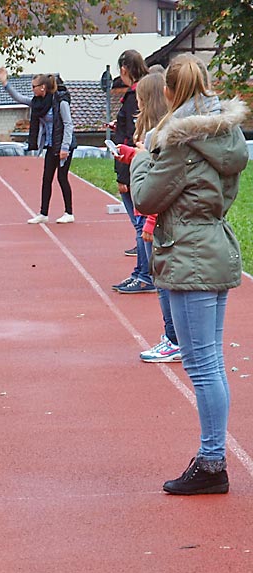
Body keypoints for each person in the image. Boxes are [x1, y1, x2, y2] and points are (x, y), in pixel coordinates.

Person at [124, 54, 249, 494]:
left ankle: (213, 461)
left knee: (202, 364)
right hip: (213, 242)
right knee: (210, 360)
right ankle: (212, 457)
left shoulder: (177, 141)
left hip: (188, 253)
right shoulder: (228, 134)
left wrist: (140, 158)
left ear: (172, 93)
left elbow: (147, 197)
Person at [131, 69, 182, 364]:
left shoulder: (163, 136)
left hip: (159, 220)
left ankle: (174, 339)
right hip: (157, 218)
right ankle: (176, 338)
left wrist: (149, 221)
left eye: (139, 98)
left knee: (162, 279)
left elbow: (159, 189)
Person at [0, 68, 77, 224]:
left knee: (62, 177)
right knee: (46, 179)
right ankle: (43, 213)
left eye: (34, 86)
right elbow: (19, 98)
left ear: (43, 87)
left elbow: (68, 125)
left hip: (63, 145)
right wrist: (5, 83)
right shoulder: (37, 103)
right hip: (50, 146)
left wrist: (64, 148)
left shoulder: (61, 102)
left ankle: (69, 212)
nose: (31, 89)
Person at [108, 50, 154, 293]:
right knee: (142, 224)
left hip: (133, 166)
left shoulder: (135, 94)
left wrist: (123, 175)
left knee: (140, 224)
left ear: (124, 69)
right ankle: (142, 272)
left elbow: (130, 135)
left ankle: (145, 275)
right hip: (137, 163)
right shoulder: (144, 92)